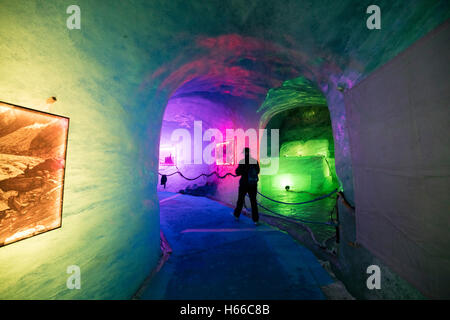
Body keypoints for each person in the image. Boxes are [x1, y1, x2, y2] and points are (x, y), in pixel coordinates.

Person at [233, 147, 260, 225]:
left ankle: (236, 215)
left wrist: (243, 171)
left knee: (240, 200)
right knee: (253, 202)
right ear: (250, 153)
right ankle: (255, 220)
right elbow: (258, 171)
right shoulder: (254, 161)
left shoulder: (242, 161)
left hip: (244, 184)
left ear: (244, 153)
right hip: (252, 184)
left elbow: (237, 172)